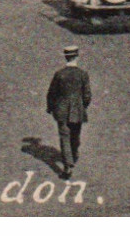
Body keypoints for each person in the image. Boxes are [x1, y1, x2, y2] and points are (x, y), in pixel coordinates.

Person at [45, 45, 92, 178]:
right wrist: (83, 107)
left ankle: (67, 166)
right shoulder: (83, 74)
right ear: (77, 56)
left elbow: (52, 93)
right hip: (77, 110)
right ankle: (73, 156)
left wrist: (50, 107)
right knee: (75, 136)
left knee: (64, 137)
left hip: (61, 110)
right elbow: (87, 95)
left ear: (66, 57)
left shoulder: (60, 74)